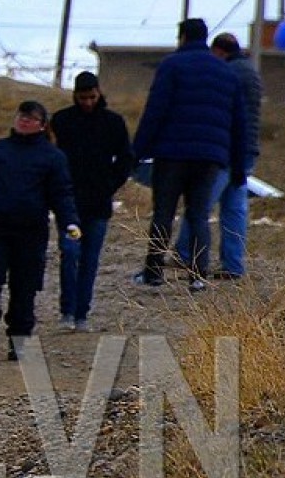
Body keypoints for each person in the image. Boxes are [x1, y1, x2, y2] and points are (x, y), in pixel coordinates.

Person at [0, 101, 81, 361]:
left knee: (24, 287)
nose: (24, 121)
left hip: (31, 232)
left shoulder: (52, 157)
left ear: (41, 124)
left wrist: (69, 222)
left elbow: (61, 194)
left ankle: (19, 339)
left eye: (31, 118)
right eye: (21, 116)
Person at [131, 18, 246, 292]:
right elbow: (238, 124)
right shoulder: (227, 73)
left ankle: (153, 272)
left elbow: (155, 110)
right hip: (209, 158)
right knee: (198, 215)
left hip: (172, 154)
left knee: (164, 212)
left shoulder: (171, 65)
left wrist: (137, 152)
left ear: (182, 37)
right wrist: (238, 166)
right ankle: (198, 274)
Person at [172, 32, 261, 279]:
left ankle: (184, 253)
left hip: (226, 149)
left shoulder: (229, 74)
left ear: (219, 51)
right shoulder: (251, 72)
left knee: (200, 204)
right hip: (248, 150)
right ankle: (233, 265)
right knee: (234, 210)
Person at [49, 72, 134, 331]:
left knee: (89, 259)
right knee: (70, 254)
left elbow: (126, 159)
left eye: (91, 97)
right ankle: (67, 310)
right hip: (69, 203)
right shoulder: (62, 121)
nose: (87, 102)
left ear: (98, 93)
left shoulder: (113, 123)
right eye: (83, 97)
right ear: (75, 95)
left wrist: (109, 185)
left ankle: (81, 313)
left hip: (97, 203)